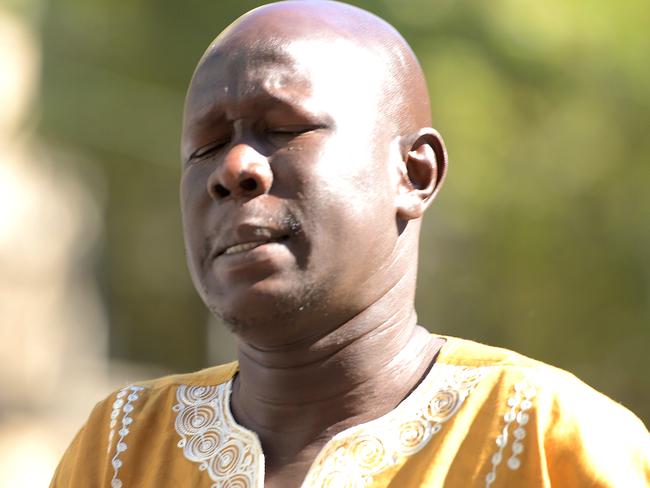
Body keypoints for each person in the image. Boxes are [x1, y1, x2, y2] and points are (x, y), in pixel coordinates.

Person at [51, 1, 649, 487]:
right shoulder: (120, 452)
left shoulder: (548, 440)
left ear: (414, 175)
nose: (233, 167)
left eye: (283, 129)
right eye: (204, 147)